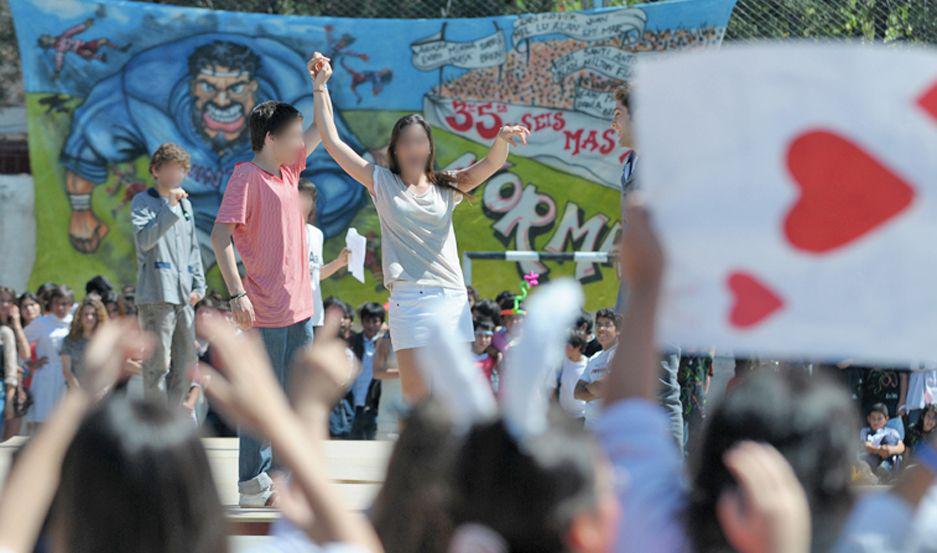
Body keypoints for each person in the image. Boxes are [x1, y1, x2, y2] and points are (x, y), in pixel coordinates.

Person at [599, 201, 824, 553]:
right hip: (700, 338)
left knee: (674, 397)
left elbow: (626, 413)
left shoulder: (646, 526)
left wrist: (646, 285)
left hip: (706, 341)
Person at [311, 52, 530, 403]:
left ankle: (454, 459)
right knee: (416, 397)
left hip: (450, 298)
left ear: (429, 147)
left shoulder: (448, 185)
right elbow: (334, 145)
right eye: (406, 142)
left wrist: (501, 139)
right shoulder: (381, 181)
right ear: (395, 150)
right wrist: (320, 88)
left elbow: (491, 163)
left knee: (452, 395)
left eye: (420, 141)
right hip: (408, 300)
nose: (414, 148)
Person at [211, 75, 323, 505]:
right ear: (271, 139)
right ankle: (251, 483)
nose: (301, 142)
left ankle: (284, 478)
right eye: (293, 136)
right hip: (264, 308)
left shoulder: (290, 171)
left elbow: (323, 132)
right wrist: (236, 293)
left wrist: (320, 88)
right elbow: (221, 236)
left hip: (300, 309)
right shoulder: (247, 177)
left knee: (295, 397)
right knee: (264, 397)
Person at [132, 143, 206, 405]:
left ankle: (172, 420)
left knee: (187, 362)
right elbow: (145, 240)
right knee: (158, 363)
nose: (177, 175)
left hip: (185, 296)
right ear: (156, 170)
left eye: (181, 170)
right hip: (156, 294)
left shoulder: (187, 206)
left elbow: (193, 249)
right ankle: (153, 426)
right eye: (172, 169)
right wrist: (170, 209)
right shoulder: (143, 201)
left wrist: (200, 285)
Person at [298, 179, 351, 331]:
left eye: (308, 198)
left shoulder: (316, 234)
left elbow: (316, 273)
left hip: (314, 315)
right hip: (289, 314)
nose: (304, 202)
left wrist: (339, 262)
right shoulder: (281, 232)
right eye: (299, 197)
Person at [23, 285, 74, 432]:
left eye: (64, 303)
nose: (60, 307)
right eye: (56, 303)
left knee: (65, 423)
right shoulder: (42, 323)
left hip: (68, 376)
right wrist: (29, 363)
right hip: (46, 376)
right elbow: (20, 340)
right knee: (42, 422)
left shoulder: (74, 323)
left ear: (70, 305)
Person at [574, 308, 620, 429]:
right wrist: (598, 390)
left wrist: (589, 389)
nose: (601, 329)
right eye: (598, 325)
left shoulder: (621, 353)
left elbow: (605, 387)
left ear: (618, 330)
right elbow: (577, 392)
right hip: (589, 427)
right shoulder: (594, 357)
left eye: (607, 325)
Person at [349, 302, 385, 440]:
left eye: (375, 321)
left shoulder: (385, 343)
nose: (371, 325)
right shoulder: (354, 341)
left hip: (375, 401)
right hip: (357, 398)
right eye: (367, 321)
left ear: (381, 322)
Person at [60, 297, 108, 389]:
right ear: (79, 316)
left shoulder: (106, 340)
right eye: (86, 314)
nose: (89, 318)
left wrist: (103, 392)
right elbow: (66, 371)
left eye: (93, 314)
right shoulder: (69, 341)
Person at [860, 403, 905, 479]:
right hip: (873, 458)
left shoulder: (891, 431)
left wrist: (889, 450)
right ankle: (877, 474)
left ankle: (886, 466)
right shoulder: (865, 431)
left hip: (888, 457)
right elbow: (865, 445)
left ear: (886, 419)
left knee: (890, 440)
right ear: (868, 419)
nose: (876, 422)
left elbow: (901, 447)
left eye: (879, 418)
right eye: (873, 418)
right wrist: (880, 450)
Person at [373, 329, 403, 440]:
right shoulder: (386, 339)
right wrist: (408, 372)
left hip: (413, 412)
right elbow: (377, 372)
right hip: (389, 411)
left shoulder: (423, 337)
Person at [558, 334, 588, 422]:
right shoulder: (562, 362)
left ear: (578, 347)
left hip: (581, 416)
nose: (564, 349)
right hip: (563, 415)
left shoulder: (588, 364)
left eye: (567, 346)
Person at [470, 319, 499, 392]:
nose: (483, 340)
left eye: (487, 336)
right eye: (479, 335)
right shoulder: (464, 357)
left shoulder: (493, 358)